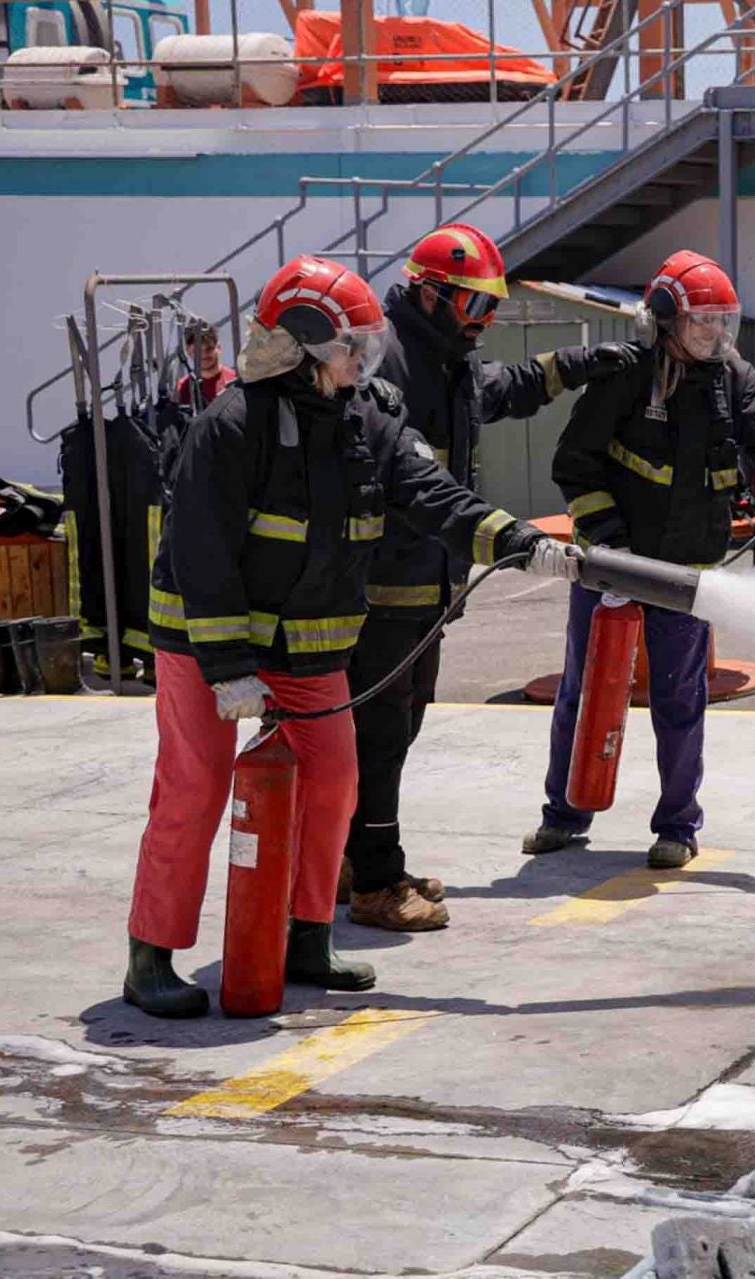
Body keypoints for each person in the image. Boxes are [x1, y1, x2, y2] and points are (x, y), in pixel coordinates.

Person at [124, 254, 577, 1019]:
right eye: (351, 346)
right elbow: (201, 553)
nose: (364, 359)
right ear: (303, 345)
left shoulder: (369, 417)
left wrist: (514, 539)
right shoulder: (229, 426)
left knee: (335, 781)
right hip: (204, 643)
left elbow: (433, 495)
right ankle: (151, 956)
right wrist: (229, 666)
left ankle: (306, 936)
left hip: (308, 643)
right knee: (194, 789)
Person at [341, 222, 648, 933]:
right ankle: (376, 881)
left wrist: (579, 363)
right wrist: (507, 535)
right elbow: (416, 488)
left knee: (396, 730)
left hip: (424, 583)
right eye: (474, 305)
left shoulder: (442, 355)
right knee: (380, 736)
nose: (483, 321)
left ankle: (353, 858)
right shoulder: (391, 364)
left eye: (492, 308)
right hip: (385, 587)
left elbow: (500, 389)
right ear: (430, 294)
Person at [523, 249, 755, 869]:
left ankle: (676, 826)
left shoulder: (734, 377)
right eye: (702, 320)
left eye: (722, 319)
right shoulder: (625, 373)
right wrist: (611, 543)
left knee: (679, 700)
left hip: (686, 574)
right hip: (612, 567)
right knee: (585, 691)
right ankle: (563, 814)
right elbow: (575, 464)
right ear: (665, 318)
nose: (714, 332)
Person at [174, 320, 238, 409]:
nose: (204, 355)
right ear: (188, 352)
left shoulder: (235, 381)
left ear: (218, 348)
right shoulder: (182, 388)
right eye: (197, 351)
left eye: (209, 348)